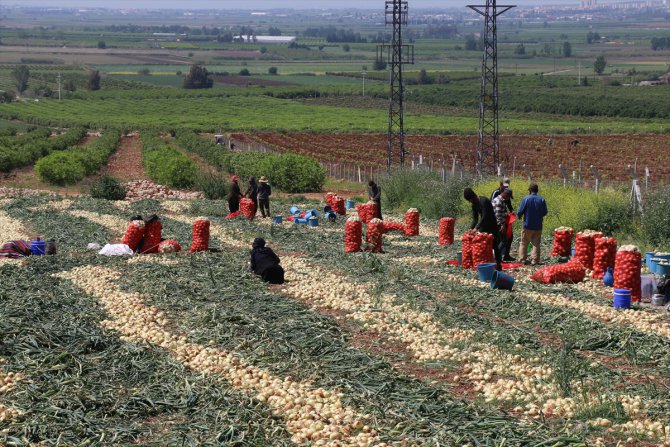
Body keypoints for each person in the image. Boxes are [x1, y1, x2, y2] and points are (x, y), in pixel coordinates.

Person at [464, 187, 502, 270]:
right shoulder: (474, 205)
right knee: (483, 246)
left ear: (473, 196)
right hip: (483, 227)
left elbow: (485, 216)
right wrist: (471, 228)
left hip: (492, 226)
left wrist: (476, 228)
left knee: (495, 246)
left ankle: (498, 265)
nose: (470, 202)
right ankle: (485, 263)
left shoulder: (484, 201)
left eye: (470, 200)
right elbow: (475, 219)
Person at [517, 183, 548, 266]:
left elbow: (520, 211)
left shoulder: (526, 199)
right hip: (538, 226)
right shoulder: (541, 200)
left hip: (527, 225)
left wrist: (519, 216)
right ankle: (534, 261)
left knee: (524, 243)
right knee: (536, 243)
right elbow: (545, 212)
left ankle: (522, 259)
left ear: (529, 190)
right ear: (537, 190)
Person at [491, 178, 515, 261]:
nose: (509, 199)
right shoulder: (498, 199)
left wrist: (511, 212)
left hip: (503, 222)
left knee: (508, 238)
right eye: (509, 197)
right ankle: (496, 257)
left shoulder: (502, 199)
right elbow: (497, 214)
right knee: (503, 240)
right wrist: (502, 225)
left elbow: (507, 208)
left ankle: (503, 256)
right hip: (499, 224)